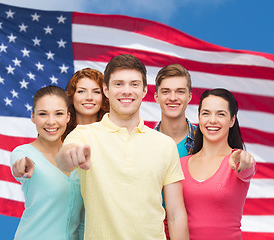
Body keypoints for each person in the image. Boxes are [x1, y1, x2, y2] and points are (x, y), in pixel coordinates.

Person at [56, 54, 189, 240]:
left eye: (134, 84)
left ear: (144, 91)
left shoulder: (165, 145)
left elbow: (175, 214)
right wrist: (71, 156)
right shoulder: (84, 135)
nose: (126, 91)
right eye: (118, 84)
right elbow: (63, 159)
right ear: (106, 90)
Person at [180, 88, 256, 240]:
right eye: (206, 113)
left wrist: (245, 158)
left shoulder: (237, 160)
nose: (212, 120)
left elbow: (247, 168)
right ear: (199, 118)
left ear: (232, 120)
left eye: (221, 114)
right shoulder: (181, 164)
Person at [10, 86, 84, 240]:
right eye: (43, 114)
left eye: (58, 114)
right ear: (33, 117)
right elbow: (21, 168)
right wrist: (22, 169)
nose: (51, 122)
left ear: (68, 117)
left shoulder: (77, 156)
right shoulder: (23, 154)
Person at [154, 63, 197, 156]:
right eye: (166, 91)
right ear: (156, 97)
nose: (173, 98)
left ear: (189, 97)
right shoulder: (145, 142)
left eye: (180, 91)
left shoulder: (204, 140)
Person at [62, 67, 109, 140]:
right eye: (81, 91)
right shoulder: (59, 133)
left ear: (104, 97)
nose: (89, 97)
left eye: (96, 92)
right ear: (71, 96)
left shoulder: (115, 134)